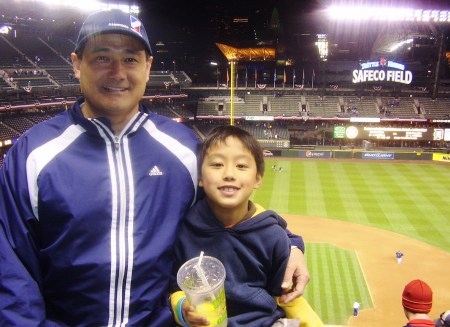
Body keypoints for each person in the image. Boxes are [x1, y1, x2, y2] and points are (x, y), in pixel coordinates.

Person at [0, 10, 309, 326]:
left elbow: (230, 214)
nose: (118, 72)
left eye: (131, 59)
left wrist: (290, 245)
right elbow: (10, 268)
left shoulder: (185, 148)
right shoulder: (33, 153)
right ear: (77, 63)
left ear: (148, 67)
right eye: (102, 57)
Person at [170, 125, 323, 327]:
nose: (229, 174)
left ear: (257, 178)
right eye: (217, 164)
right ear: (200, 177)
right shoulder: (183, 229)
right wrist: (181, 307)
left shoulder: (273, 235)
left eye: (241, 166)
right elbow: (174, 285)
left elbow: (286, 296)